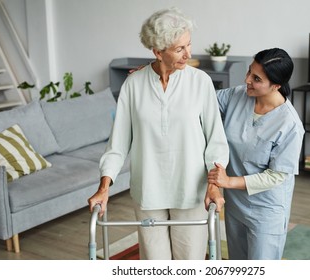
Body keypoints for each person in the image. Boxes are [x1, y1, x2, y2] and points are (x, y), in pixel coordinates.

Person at [87, 7, 229, 260]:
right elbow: (117, 145)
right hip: (148, 191)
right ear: (157, 52)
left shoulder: (200, 82)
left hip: (190, 190)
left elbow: (215, 141)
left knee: (190, 263)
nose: (188, 54)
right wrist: (104, 186)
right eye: (179, 49)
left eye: (188, 45)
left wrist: (214, 186)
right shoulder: (133, 84)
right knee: (154, 264)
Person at [207, 48, 305, 260]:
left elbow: (276, 175)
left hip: (266, 210)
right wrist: (157, 73)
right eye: (249, 72)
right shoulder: (237, 95)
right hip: (235, 206)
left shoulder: (290, 125)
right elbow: (201, 99)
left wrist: (228, 181)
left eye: (256, 78)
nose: (247, 80)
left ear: (276, 85)